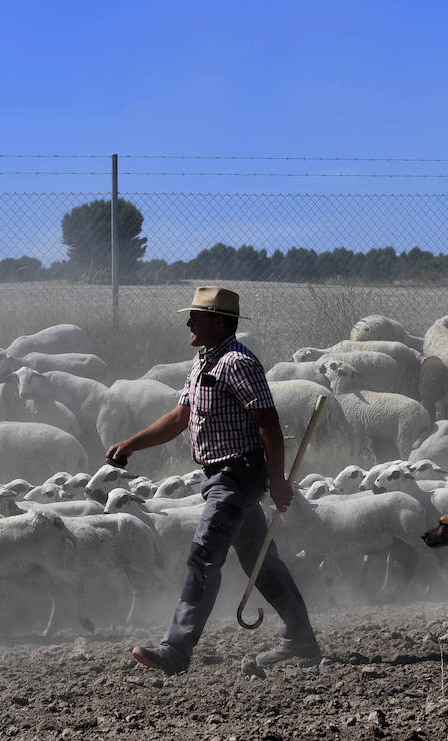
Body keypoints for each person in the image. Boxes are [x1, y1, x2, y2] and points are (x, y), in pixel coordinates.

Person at [106, 286, 320, 675]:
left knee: (203, 557)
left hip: (236, 474)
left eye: (196, 316)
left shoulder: (237, 362)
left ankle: (176, 649)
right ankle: (300, 637)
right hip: (223, 476)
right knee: (259, 559)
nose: (188, 321)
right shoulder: (204, 362)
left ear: (219, 321)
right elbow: (179, 418)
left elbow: (267, 420)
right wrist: (131, 444)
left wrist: (278, 480)